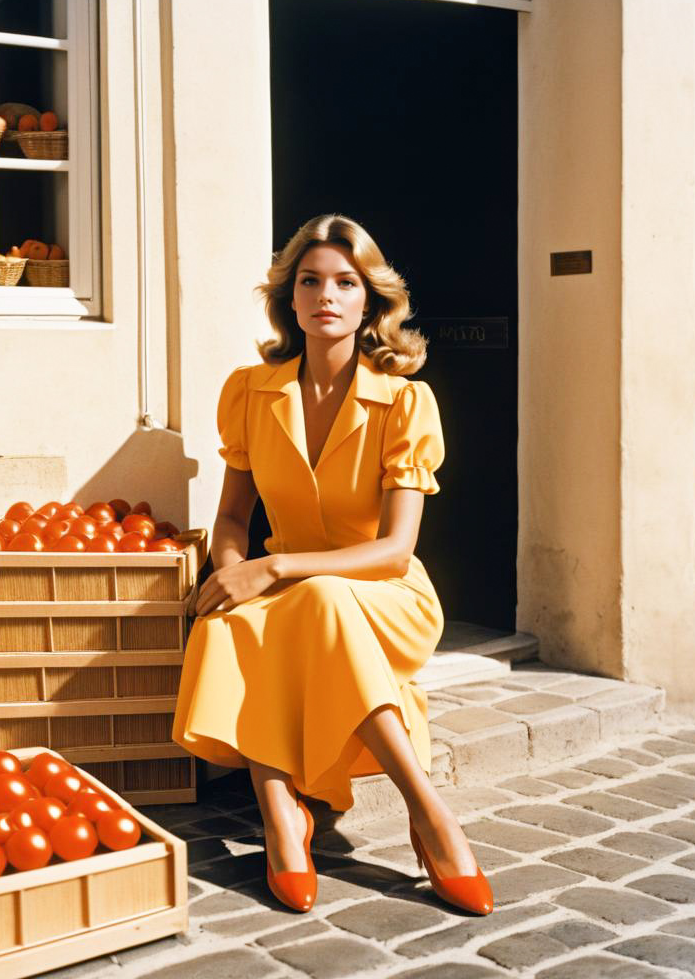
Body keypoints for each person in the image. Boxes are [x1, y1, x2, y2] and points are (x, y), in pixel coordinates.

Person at [171, 214, 493, 915]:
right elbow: (232, 520)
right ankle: (281, 810)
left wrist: (273, 569)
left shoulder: (406, 400)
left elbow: (395, 548)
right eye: (310, 281)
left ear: (370, 302)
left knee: (315, 600)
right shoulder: (250, 392)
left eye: (346, 283)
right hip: (294, 592)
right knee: (228, 624)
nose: (327, 295)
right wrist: (233, 569)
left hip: (383, 592)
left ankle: (425, 806)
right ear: (289, 299)